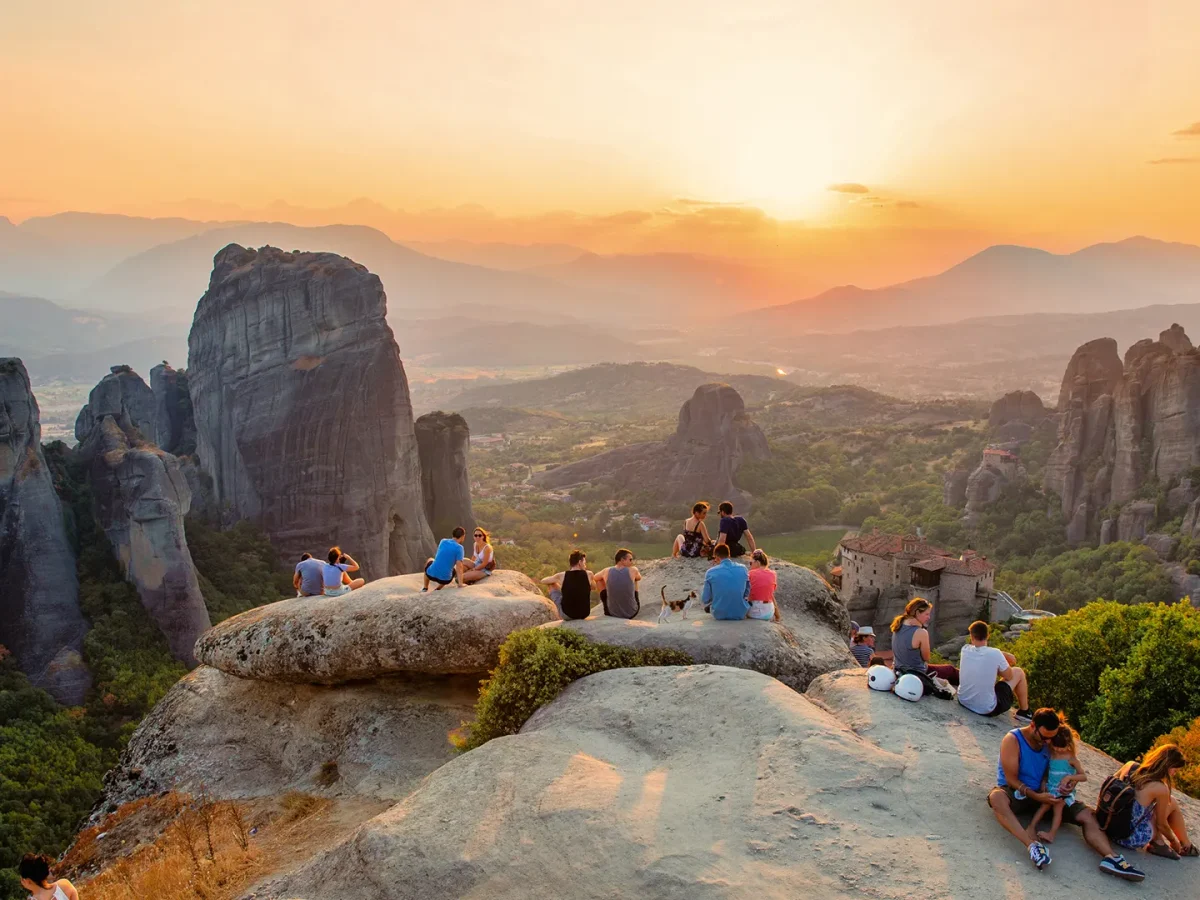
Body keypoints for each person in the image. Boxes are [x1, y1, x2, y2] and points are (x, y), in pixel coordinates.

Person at [988, 708, 1146, 880]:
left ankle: (1112, 858)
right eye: (1045, 737)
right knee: (996, 797)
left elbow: (1064, 767)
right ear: (1032, 725)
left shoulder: (1051, 742)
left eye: (1052, 738)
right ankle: (1032, 845)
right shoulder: (1013, 740)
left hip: (1049, 795)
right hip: (1020, 792)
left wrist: (1071, 783)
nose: (1048, 742)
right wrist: (1036, 795)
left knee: (1087, 814)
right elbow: (1011, 779)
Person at [1106, 743, 1197, 860]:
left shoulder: (1130, 765)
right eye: (1175, 769)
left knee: (1166, 802)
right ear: (1167, 766)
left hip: (1109, 825)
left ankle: (1182, 844)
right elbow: (1161, 824)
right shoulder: (1159, 788)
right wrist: (1173, 841)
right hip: (1128, 837)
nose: (1174, 773)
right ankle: (1180, 845)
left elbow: (1111, 786)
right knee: (1171, 803)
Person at [957, 620, 1032, 722]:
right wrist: (1002, 657)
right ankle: (1024, 712)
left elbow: (983, 653)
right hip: (985, 709)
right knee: (1018, 672)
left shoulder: (965, 649)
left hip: (963, 700)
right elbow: (1009, 676)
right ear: (988, 636)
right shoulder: (995, 654)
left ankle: (1024, 711)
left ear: (971, 636)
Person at [1028, 724, 1087, 845]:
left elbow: (1083, 776)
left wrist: (1070, 777)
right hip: (1051, 788)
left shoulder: (1071, 759)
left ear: (1069, 744)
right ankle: (1031, 826)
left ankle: (1051, 834)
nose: (1058, 750)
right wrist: (1044, 781)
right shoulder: (1052, 754)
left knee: (1058, 809)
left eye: (1062, 747)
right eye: (1056, 746)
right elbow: (1048, 770)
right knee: (1044, 805)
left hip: (1062, 791)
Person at [890, 597, 959, 686]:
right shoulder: (921, 632)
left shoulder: (898, 625)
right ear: (918, 613)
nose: (929, 617)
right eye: (927, 614)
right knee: (950, 670)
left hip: (898, 670)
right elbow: (926, 657)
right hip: (917, 674)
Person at [541, 550, 595, 620]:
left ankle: (560, 616)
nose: (585, 565)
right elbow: (594, 587)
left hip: (567, 616)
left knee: (552, 584)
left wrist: (562, 585)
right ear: (579, 562)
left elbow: (543, 581)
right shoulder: (589, 574)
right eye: (584, 563)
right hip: (584, 614)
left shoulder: (561, 575)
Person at [702, 544, 750, 620]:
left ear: (717, 557)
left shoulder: (710, 572)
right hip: (740, 613)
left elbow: (705, 599)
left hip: (719, 614)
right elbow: (747, 592)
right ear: (729, 555)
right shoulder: (743, 568)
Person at [593, 549, 641, 618]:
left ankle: (606, 605)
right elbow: (639, 578)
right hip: (632, 613)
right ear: (622, 560)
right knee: (635, 580)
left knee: (600, 580)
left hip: (611, 613)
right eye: (630, 560)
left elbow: (595, 578)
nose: (632, 562)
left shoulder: (606, 571)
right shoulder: (633, 570)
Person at [423, 527, 467, 591]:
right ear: (463, 536)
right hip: (445, 580)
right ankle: (438, 589)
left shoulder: (443, 541)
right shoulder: (459, 548)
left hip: (430, 575)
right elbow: (459, 566)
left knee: (430, 560)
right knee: (453, 570)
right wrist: (461, 584)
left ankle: (425, 587)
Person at [747, 549, 779, 620]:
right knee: (768, 595)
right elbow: (771, 596)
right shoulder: (773, 574)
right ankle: (776, 616)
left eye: (751, 563)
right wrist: (777, 616)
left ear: (757, 562)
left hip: (754, 613)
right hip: (769, 613)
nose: (750, 566)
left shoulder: (750, 574)